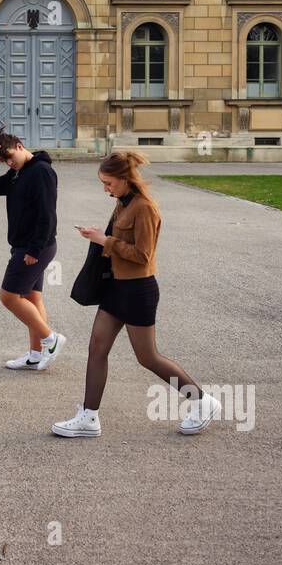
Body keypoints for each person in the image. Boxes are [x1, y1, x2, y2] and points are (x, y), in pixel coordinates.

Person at [52, 151, 220, 438]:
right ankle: (89, 417)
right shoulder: (122, 202)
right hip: (116, 287)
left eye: (108, 183)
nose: (105, 188)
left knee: (148, 357)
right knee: (97, 347)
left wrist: (106, 240)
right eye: (103, 183)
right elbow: (119, 242)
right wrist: (99, 236)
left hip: (138, 289)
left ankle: (203, 402)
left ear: (124, 179)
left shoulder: (144, 208)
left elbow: (143, 255)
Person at [0, 129, 67, 371]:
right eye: (5, 160)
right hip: (26, 245)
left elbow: (47, 215)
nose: (10, 162)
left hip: (34, 246)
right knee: (32, 297)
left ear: (20, 146)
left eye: (10, 156)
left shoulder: (41, 171)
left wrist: (34, 250)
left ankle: (50, 339)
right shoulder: (17, 171)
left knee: (8, 296)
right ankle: (35, 354)